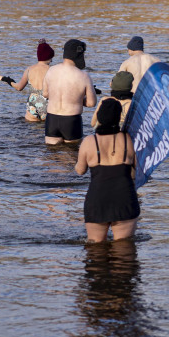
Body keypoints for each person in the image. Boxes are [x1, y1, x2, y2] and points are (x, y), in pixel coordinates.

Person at [75, 98, 139, 243]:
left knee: (95, 251)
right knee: (124, 252)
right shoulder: (129, 139)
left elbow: (80, 171)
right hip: (124, 199)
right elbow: (139, 170)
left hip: (97, 200)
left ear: (100, 117)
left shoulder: (89, 141)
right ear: (118, 117)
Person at [43, 39, 97, 144]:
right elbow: (91, 103)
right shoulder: (84, 76)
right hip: (71, 120)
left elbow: (45, 93)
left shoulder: (51, 70)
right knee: (72, 156)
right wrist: (78, 98)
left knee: (50, 157)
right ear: (80, 55)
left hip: (52, 119)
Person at [7, 39, 53, 122]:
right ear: (49, 56)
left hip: (32, 108)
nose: (52, 60)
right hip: (49, 108)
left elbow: (19, 87)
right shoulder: (53, 70)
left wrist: (9, 81)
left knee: (31, 131)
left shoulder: (29, 70)